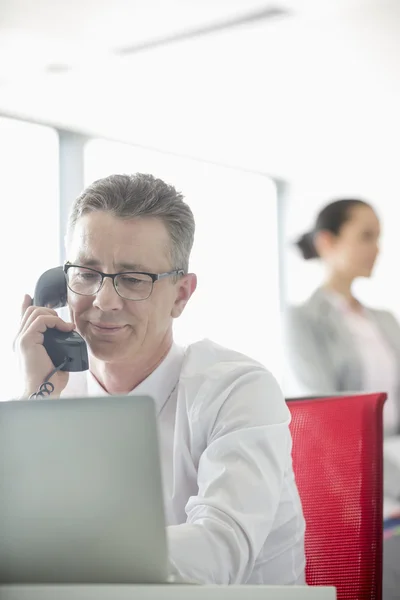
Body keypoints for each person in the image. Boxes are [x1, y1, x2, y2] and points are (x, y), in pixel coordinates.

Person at [14, 173, 305, 585]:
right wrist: (36, 399)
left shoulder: (237, 389)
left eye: (133, 279)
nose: (104, 300)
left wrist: (57, 556)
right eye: (86, 273)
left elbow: (220, 550)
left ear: (181, 295)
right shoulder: (54, 391)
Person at [285, 198, 400, 436]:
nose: (377, 248)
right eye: (366, 236)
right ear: (327, 242)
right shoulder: (303, 320)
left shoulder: (385, 319)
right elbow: (320, 407)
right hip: (350, 455)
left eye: (378, 237)